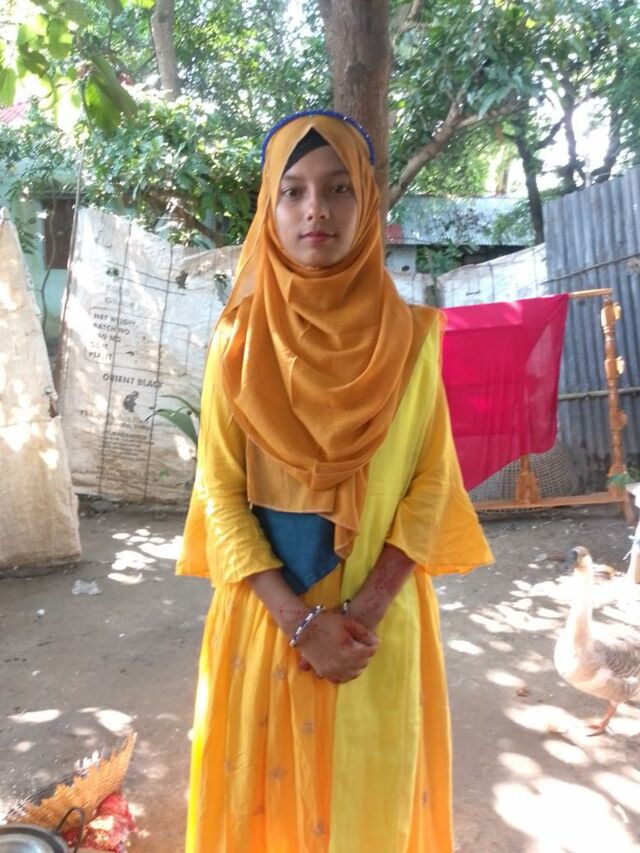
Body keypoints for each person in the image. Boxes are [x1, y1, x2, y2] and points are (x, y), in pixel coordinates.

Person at [176, 109, 493, 853]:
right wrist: (302, 624)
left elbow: (432, 484)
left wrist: (360, 616)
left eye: (338, 187)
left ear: (367, 203)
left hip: (373, 634)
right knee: (266, 819)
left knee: (372, 812)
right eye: (292, 191)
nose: (314, 208)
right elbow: (219, 492)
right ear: (270, 208)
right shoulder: (235, 343)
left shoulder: (413, 341)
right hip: (267, 626)